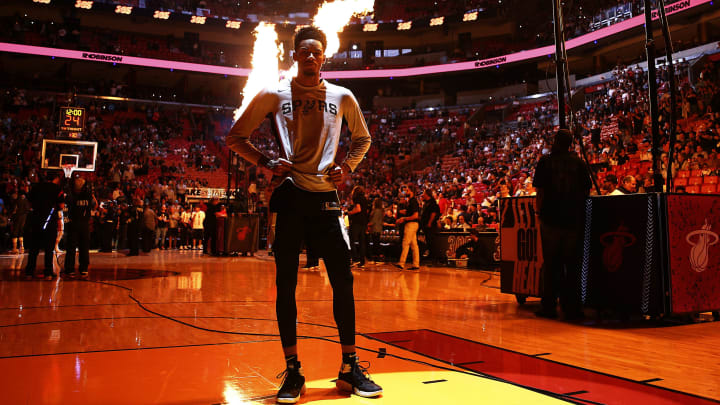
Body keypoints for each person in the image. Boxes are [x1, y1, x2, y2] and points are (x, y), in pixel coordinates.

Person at [226, 26, 381, 403]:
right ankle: (293, 371)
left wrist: (349, 166)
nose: (311, 57)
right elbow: (235, 137)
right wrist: (265, 161)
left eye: (317, 52)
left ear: (324, 55)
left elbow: (362, 138)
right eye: (304, 52)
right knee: (286, 285)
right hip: (291, 195)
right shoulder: (274, 94)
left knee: (343, 281)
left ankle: (349, 367)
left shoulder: (343, 96)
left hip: (327, 197)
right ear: (294, 55)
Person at [533, 129, 591, 320]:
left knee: (551, 265)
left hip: (550, 219)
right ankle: (572, 308)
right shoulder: (579, 163)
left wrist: (539, 213)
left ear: (555, 142)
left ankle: (549, 306)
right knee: (572, 265)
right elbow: (586, 191)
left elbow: (540, 192)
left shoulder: (545, 162)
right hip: (573, 220)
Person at [24, 171, 65, 279]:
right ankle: (48, 272)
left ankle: (29, 272)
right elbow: (61, 205)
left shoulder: (36, 187)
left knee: (34, 249)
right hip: (50, 221)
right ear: (55, 178)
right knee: (49, 249)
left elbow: (29, 202)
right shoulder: (57, 189)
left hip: (36, 220)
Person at [63, 177, 96, 278]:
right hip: (84, 224)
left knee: (71, 247)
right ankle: (84, 269)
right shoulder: (88, 194)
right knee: (84, 247)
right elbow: (95, 205)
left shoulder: (71, 195)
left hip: (74, 223)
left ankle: (69, 269)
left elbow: (66, 206)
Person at [394, 184, 420, 270]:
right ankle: (416, 264)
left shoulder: (413, 201)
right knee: (414, 245)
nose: (406, 192)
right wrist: (405, 213)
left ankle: (401, 263)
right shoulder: (411, 201)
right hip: (413, 224)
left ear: (412, 191)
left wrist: (404, 218)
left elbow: (415, 215)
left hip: (411, 224)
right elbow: (412, 212)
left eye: (408, 190)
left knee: (405, 243)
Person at [347, 186, 368, 268]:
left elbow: (358, 209)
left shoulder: (357, 198)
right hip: (364, 222)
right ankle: (362, 261)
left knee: (351, 240)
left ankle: (355, 259)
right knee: (362, 242)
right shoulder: (365, 199)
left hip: (357, 222)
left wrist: (350, 212)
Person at [420, 189, 440, 264]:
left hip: (430, 225)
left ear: (427, 194)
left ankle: (434, 256)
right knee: (428, 240)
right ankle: (430, 254)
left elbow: (433, 213)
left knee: (431, 240)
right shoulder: (426, 203)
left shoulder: (432, 203)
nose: (422, 195)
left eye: (424, 193)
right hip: (425, 225)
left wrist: (429, 222)